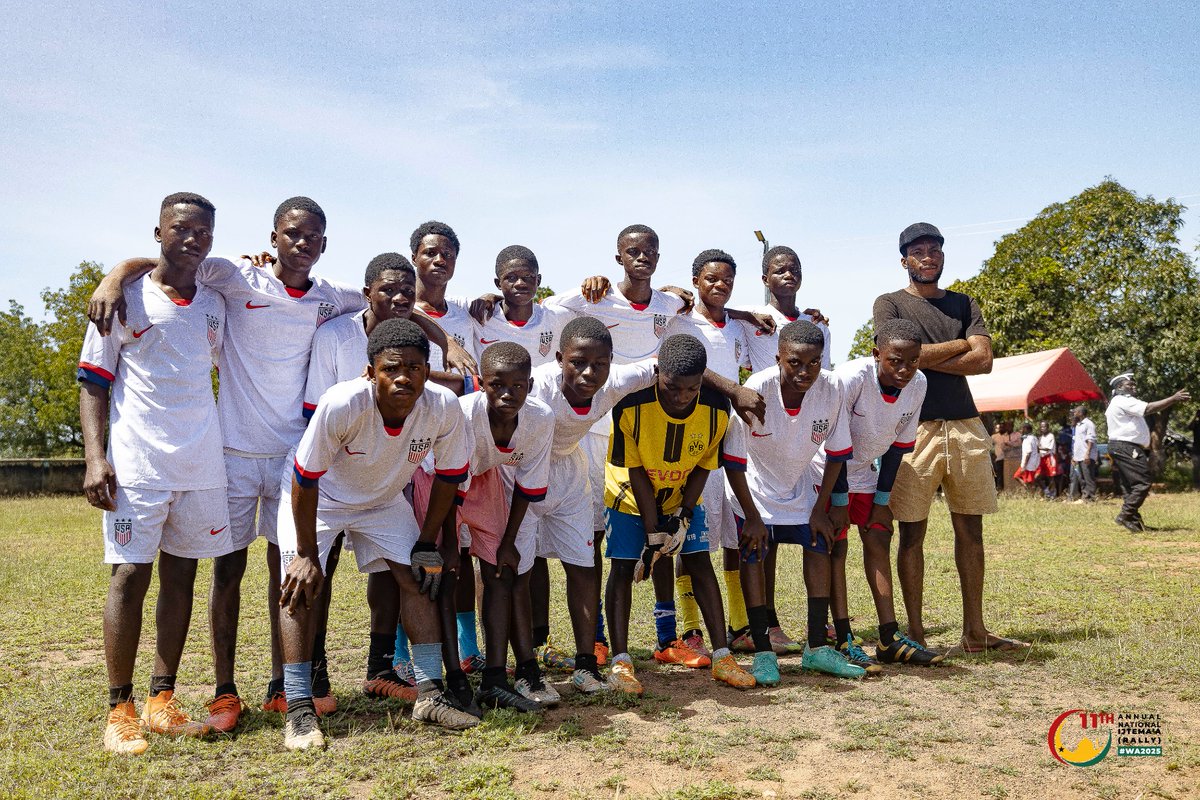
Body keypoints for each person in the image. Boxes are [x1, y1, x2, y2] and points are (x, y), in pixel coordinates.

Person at [87, 200, 473, 730]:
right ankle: (224, 691)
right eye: (292, 234)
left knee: (287, 571)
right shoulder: (235, 276)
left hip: (295, 452)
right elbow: (173, 261)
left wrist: (444, 338)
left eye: (312, 236)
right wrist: (114, 276)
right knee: (227, 570)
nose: (302, 243)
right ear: (273, 237)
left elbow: (394, 307)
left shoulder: (329, 295)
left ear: (324, 244)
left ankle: (282, 689)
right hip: (231, 452)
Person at [279, 319, 477, 749]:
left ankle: (429, 695)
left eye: (415, 367)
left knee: (418, 578)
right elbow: (305, 478)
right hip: (323, 497)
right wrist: (306, 554)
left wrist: (426, 543)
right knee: (300, 585)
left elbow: (449, 477)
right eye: (391, 368)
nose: (404, 377)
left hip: (383, 500)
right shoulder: (342, 402)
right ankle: (298, 708)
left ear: (428, 370)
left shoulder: (443, 406)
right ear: (371, 371)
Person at [79, 193, 231, 754]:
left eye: (203, 231)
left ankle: (161, 698)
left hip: (201, 464)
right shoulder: (121, 299)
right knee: (128, 577)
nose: (193, 239)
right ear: (158, 232)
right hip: (136, 466)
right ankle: (119, 710)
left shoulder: (215, 302)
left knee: (181, 577)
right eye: (181, 228)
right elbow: (93, 382)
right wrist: (96, 458)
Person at [303, 253, 466, 708]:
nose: (398, 298)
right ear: (367, 293)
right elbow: (315, 412)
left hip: (391, 473)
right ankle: (312, 679)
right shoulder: (336, 336)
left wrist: (445, 339)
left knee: (396, 572)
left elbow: (452, 389)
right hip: (332, 473)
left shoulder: (415, 346)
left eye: (406, 292)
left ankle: (382, 670)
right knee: (318, 574)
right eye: (388, 290)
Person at [873, 222, 1027, 653]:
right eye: (918, 251)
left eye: (935, 250)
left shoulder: (963, 302)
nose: (928, 257)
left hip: (966, 425)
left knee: (971, 530)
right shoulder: (889, 303)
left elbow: (984, 361)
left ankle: (975, 633)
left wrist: (922, 356)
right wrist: (958, 345)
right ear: (904, 259)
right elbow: (896, 357)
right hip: (913, 427)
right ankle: (916, 634)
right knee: (911, 534)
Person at [604, 333, 758, 694]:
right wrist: (652, 532)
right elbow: (635, 469)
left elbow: (704, 464)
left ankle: (722, 658)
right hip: (630, 493)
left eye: (691, 389)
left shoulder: (717, 410)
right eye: (672, 387)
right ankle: (621, 662)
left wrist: (684, 516)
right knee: (623, 568)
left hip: (683, 492)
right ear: (658, 373)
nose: (681, 397)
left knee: (699, 561)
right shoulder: (631, 404)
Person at [413, 342, 557, 713]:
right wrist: (449, 545)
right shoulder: (463, 415)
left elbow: (527, 486)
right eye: (497, 385)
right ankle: (456, 681)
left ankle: (494, 680)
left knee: (500, 570)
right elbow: (451, 483)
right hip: (439, 484)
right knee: (445, 576)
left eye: (518, 386)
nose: (508, 394)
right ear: (481, 383)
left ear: (530, 385)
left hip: (483, 477)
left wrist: (508, 542)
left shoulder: (540, 418)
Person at [724, 321, 866, 681]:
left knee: (820, 544)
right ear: (778, 359)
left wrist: (821, 509)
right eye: (795, 363)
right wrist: (752, 516)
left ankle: (816, 647)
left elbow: (837, 452)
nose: (805, 371)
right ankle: (763, 652)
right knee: (753, 552)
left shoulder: (832, 387)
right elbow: (734, 460)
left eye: (813, 362)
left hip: (800, 486)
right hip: (753, 490)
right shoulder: (757, 389)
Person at [824, 319, 943, 667]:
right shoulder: (849, 379)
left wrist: (881, 502)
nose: (905, 369)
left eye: (913, 360)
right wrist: (839, 502)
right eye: (895, 361)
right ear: (877, 354)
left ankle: (889, 637)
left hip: (863, 471)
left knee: (879, 535)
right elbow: (834, 443)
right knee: (836, 546)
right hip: (826, 471)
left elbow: (897, 448)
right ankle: (844, 637)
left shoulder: (918, 383)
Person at [1105, 373, 1190, 531]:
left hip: (1120, 446)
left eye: (1134, 384)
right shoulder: (1124, 400)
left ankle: (1135, 523)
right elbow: (1148, 408)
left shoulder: (1117, 402)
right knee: (1142, 482)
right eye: (1130, 385)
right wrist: (1173, 398)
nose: (1134, 387)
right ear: (1119, 387)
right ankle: (1125, 515)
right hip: (1126, 446)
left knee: (1130, 486)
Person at [470, 245, 571, 368]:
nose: (520, 283)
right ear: (498, 283)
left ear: (538, 280)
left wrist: (592, 282)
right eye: (511, 277)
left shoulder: (557, 317)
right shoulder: (478, 315)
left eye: (528, 276)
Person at [1068, 406, 1097, 502]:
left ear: (1080, 413)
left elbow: (1091, 440)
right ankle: (1085, 497)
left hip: (1086, 455)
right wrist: (1074, 456)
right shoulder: (1078, 425)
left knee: (1088, 477)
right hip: (1079, 456)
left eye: (1075, 412)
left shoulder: (1089, 424)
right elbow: (1077, 442)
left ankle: (1091, 498)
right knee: (1082, 478)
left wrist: (1087, 453)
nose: (1074, 413)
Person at [1036, 421, 1057, 499]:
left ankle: (1053, 495)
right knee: (1037, 477)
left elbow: (1048, 448)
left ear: (1048, 427)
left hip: (1049, 458)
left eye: (1044, 427)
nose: (1042, 428)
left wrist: (1038, 448)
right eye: (1041, 427)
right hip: (1041, 458)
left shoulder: (1051, 436)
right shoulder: (1040, 437)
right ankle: (1047, 492)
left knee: (1051, 477)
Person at [990, 423, 1008, 491]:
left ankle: (1006, 488)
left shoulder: (1006, 436)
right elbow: (989, 446)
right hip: (998, 458)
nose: (999, 429)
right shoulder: (993, 437)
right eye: (997, 428)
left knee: (1006, 474)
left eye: (1000, 427)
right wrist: (993, 454)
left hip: (1007, 458)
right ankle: (999, 488)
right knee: (999, 474)